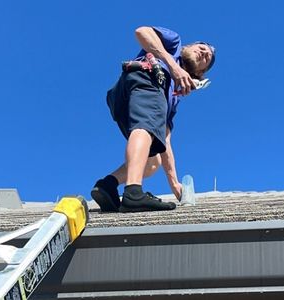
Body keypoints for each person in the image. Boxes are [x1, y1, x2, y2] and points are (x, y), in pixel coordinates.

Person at [91, 26, 215, 212]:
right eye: (201, 47)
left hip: (126, 96)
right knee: (146, 127)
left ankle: (108, 184)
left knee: (153, 161)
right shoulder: (174, 43)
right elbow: (142, 32)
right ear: (187, 47)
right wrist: (173, 67)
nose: (203, 52)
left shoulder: (172, 98)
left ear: (199, 74)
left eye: (206, 58)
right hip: (148, 76)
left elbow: (164, 138)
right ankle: (133, 192)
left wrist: (174, 183)